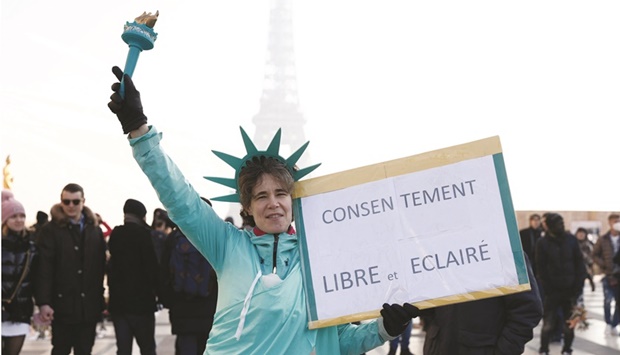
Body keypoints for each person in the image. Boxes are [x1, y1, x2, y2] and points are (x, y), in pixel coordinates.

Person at [107, 67, 420, 354]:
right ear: (247, 206)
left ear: (293, 199)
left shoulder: (319, 260)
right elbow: (179, 197)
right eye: (261, 196)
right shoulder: (227, 245)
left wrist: (384, 328)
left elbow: (338, 343)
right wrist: (138, 130)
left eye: (281, 193)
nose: (273, 203)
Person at [35, 183, 107, 355]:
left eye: (75, 201)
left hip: (88, 306)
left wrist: (100, 299)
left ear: (83, 201)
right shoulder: (50, 230)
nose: (71, 206)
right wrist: (43, 302)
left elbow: (99, 268)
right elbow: (44, 268)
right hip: (62, 305)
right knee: (60, 349)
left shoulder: (94, 230)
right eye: (66, 202)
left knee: (85, 350)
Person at [422, 253, 543, 354]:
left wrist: (503, 351)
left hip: (482, 348)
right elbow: (429, 306)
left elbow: (527, 309)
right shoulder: (440, 249)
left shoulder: (505, 249)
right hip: (440, 346)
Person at [160, 197, 218, 355]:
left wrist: (170, 302)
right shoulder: (215, 238)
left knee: (185, 348)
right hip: (209, 310)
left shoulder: (175, 237)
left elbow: (164, 273)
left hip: (182, 308)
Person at [107, 198, 159, 355]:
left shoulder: (116, 235)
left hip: (119, 305)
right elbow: (153, 270)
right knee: (147, 348)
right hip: (142, 305)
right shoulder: (146, 235)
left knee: (123, 349)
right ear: (142, 216)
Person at [535, 212, 586, 355]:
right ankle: (544, 349)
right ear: (550, 226)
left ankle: (567, 349)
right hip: (552, 292)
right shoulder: (543, 243)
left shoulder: (571, 240)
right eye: (558, 224)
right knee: (548, 324)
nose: (561, 226)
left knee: (569, 323)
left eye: (562, 223)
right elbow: (541, 268)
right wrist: (548, 288)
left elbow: (579, 263)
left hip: (570, 290)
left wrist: (578, 287)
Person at [2, 190, 39, 355]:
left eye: (22, 216)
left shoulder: (31, 246)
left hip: (20, 310)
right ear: (5, 219)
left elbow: (37, 278)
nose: (19, 220)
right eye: (14, 216)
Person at [593, 213, 620, 335]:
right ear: (609, 222)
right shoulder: (603, 239)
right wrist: (603, 264)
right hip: (608, 274)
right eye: (615, 221)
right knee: (607, 300)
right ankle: (608, 323)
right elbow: (594, 254)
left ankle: (615, 323)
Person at [575, 227, 595, 293]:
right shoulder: (573, 243)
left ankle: (592, 284)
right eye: (579, 233)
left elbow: (592, 254)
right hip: (576, 266)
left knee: (588, 276)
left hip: (587, 264)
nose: (581, 235)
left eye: (582, 233)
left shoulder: (589, 244)